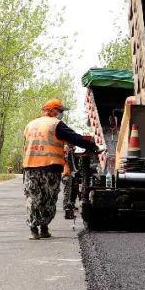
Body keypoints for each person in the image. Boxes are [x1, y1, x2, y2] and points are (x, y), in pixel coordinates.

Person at [22, 100, 98, 240]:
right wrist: (91, 145)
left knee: (32, 198)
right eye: (59, 110)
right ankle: (44, 228)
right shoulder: (55, 124)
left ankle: (34, 229)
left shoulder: (29, 125)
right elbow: (74, 137)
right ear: (51, 110)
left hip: (30, 167)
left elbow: (25, 147)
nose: (60, 114)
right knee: (49, 198)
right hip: (50, 168)